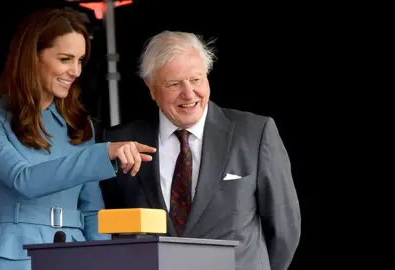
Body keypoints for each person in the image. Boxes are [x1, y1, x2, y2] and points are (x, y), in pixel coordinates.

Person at [0, 7, 156, 270]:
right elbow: (24, 180)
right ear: (32, 57)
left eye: (80, 61)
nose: (76, 71)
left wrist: (102, 260)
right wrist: (105, 152)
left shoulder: (79, 125)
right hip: (15, 256)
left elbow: (91, 211)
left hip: (76, 254)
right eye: (65, 59)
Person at [101, 30, 301, 270]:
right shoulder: (120, 141)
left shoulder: (255, 133)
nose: (189, 93)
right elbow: (107, 226)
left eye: (196, 80)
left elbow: (284, 231)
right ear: (151, 88)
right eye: (174, 84)